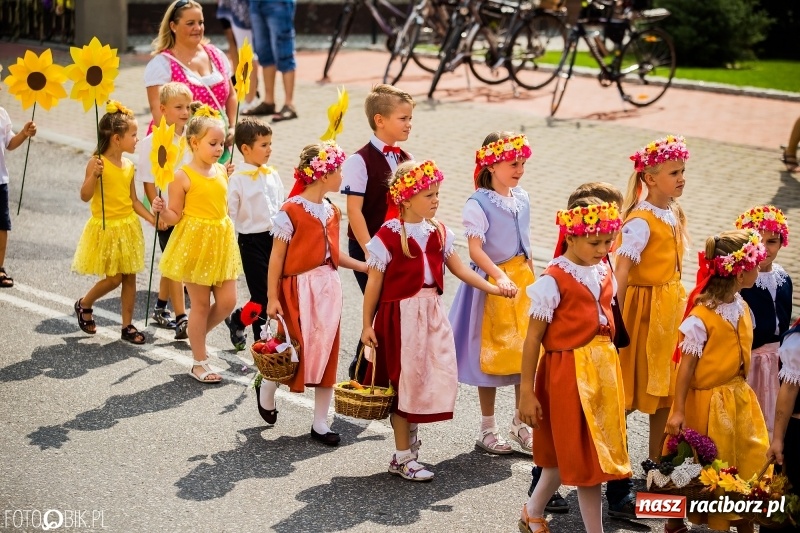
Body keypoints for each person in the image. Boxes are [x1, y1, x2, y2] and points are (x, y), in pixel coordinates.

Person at [361, 159, 511, 481]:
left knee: (425, 380)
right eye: (428, 195)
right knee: (403, 385)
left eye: (437, 193)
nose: (435, 200)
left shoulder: (439, 231)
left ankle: (408, 446)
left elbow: (460, 269)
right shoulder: (388, 236)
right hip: (399, 318)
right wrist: (366, 324)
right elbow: (374, 284)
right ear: (405, 198)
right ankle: (403, 456)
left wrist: (494, 288)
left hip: (430, 314)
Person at [518, 198, 631, 533]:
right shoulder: (553, 280)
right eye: (594, 242)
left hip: (602, 370)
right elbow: (532, 340)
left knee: (569, 453)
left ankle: (533, 511)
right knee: (587, 459)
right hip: (569, 373)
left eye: (608, 242)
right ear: (570, 237)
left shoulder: (602, 269)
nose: (603, 249)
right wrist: (526, 391)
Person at [665, 229, 770, 533]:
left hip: (738, 397)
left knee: (745, 458)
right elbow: (685, 369)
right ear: (739, 273)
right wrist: (679, 410)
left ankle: (744, 519)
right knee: (698, 467)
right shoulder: (701, 317)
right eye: (754, 262)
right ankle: (676, 522)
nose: (758, 267)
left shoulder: (740, 305)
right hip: (707, 403)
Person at [263, 141, 366, 443]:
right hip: (297, 289)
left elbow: (334, 254)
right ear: (323, 175)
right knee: (293, 350)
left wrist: (363, 266)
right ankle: (269, 386)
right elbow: (277, 259)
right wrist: (271, 297)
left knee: (327, 351)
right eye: (338, 171)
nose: (341, 177)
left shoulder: (333, 211)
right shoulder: (291, 211)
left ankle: (320, 422)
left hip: (328, 290)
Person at [448, 132, 534, 456]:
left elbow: (526, 244)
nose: (520, 169)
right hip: (493, 285)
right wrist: (499, 277)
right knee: (491, 355)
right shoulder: (478, 203)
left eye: (523, 162)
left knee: (524, 354)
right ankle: (487, 427)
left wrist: (533, 280)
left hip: (521, 283)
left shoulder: (522, 197)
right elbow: (475, 251)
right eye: (514, 163)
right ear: (492, 164)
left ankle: (520, 422)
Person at [152, 106, 243, 384]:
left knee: (228, 301)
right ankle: (199, 361)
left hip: (221, 241)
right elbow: (174, 216)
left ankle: (196, 335)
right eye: (212, 143)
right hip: (195, 243)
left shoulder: (220, 170)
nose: (218, 149)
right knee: (201, 305)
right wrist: (161, 210)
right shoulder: (182, 176)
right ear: (194, 143)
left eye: (221, 144)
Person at [615, 135, 689, 462]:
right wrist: (614, 316)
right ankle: (606, 453)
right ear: (650, 178)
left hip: (668, 312)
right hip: (642, 312)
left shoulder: (672, 212)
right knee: (632, 389)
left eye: (682, 171)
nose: (681, 178)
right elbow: (621, 272)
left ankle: (657, 462)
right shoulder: (640, 222)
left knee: (664, 392)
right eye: (674, 173)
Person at [341, 84, 415, 381]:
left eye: (410, 118)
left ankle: (365, 369)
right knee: (379, 306)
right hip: (368, 247)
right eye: (403, 118)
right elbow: (354, 211)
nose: (409, 124)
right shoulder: (359, 161)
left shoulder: (406, 157)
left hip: (396, 246)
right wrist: (369, 248)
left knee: (387, 308)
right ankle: (362, 370)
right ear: (379, 120)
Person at [72, 101, 155, 345]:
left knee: (129, 277)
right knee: (114, 278)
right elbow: (85, 195)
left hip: (128, 226)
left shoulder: (129, 165)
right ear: (117, 139)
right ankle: (84, 303)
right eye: (133, 135)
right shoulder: (97, 163)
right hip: (107, 228)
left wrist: (151, 218)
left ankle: (127, 325)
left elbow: (133, 201)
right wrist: (93, 176)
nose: (137, 140)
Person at [145, 0, 237, 162]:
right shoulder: (162, 64)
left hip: (216, 148)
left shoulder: (216, 55)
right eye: (190, 23)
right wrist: (180, 145)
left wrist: (232, 127)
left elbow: (231, 96)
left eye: (200, 22)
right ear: (173, 26)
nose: (198, 28)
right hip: (179, 150)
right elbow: (158, 111)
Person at [137, 81, 193, 340]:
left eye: (188, 107)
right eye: (178, 107)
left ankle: (160, 308)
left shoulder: (190, 140)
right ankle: (182, 318)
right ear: (162, 109)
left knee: (173, 263)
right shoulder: (152, 142)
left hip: (188, 211)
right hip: (167, 213)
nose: (185, 112)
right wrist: (156, 214)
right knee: (176, 264)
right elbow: (149, 182)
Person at [224, 117, 284, 351]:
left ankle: (239, 319)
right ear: (246, 149)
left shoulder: (272, 174)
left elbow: (281, 205)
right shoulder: (237, 179)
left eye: (270, 144)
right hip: (251, 243)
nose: (270, 149)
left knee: (276, 292)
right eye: (264, 145)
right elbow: (229, 215)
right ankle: (263, 345)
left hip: (275, 240)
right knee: (262, 297)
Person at [735, 205, 792, 439]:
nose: (766, 249)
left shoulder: (783, 278)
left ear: (781, 243)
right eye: (759, 240)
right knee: (751, 418)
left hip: (779, 362)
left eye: (773, 241)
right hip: (752, 361)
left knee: (776, 415)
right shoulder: (742, 280)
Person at [766, 318, 800, 533]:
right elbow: (788, 391)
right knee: (787, 510)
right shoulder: (798, 339)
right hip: (798, 436)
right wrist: (777, 439)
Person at [0, 102, 36, 288]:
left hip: (0, 181)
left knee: (2, 225)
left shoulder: (2, 114)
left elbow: (9, 143)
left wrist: (23, 133)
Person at [244, 0, 298, 121]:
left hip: (278, 3)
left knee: (284, 50)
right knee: (264, 53)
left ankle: (289, 104)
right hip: (255, 3)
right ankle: (269, 102)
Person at [216, 0, 260, 112]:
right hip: (227, 5)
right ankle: (240, 87)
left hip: (243, 6)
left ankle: (250, 98)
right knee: (234, 41)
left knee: (246, 49)